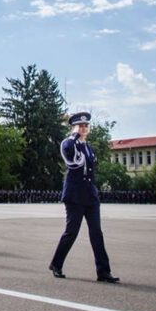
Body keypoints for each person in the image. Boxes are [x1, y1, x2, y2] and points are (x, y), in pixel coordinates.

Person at [49, 112, 120, 283]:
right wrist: (74, 135)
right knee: (71, 232)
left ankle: (103, 272)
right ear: (73, 127)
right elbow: (72, 161)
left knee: (97, 233)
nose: (84, 128)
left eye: (86, 126)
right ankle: (56, 264)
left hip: (90, 196)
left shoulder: (89, 147)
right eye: (80, 126)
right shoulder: (68, 143)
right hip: (75, 195)